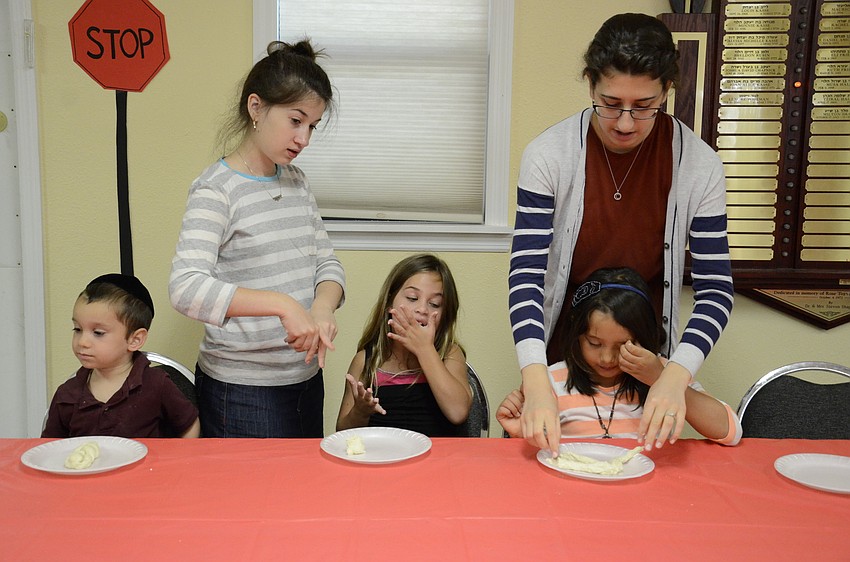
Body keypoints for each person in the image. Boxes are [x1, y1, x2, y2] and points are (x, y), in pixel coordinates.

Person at [508, 13, 733, 454]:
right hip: (567, 352)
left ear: (668, 91)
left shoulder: (700, 167)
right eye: (610, 103)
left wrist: (675, 375)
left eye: (644, 106)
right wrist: (535, 378)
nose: (625, 123)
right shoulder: (547, 156)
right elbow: (526, 278)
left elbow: (716, 292)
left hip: (645, 356)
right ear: (590, 85)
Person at [169, 39, 345, 438]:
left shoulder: (297, 182)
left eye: (312, 126)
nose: (304, 139)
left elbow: (327, 264)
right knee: (250, 500)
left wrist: (322, 308)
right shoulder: (217, 190)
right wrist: (282, 305)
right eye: (295, 121)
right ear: (256, 108)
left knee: (301, 497)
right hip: (242, 390)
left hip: (303, 381)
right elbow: (185, 287)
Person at [499, 268, 741, 445]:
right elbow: (538, 454)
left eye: (623, 345)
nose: (606, 358)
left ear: (645, 338)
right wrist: (522, 431)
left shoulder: (669, 375)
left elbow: (729, 431)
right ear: (577, 336)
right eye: (594, 343)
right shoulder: (550, 381)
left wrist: (660, 378)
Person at [43, 274, 200, 438]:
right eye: (77, 329)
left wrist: (179, 461)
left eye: (98, 333)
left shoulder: (157, 384)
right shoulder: (67, 394)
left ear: (135, 339)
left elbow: (189, 425)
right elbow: (49, 447)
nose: (82, 342)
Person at [336, 254, 471, 437]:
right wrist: (360, 412)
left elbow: (458, 413)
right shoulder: (367, 360)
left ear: (445, 315)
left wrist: (425, 349)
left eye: (434, 304)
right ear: (389, 303)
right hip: (383, 459)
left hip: (437, 461)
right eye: (412, 298)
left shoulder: (450, 354)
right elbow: (343, 433)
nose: (422, 309)